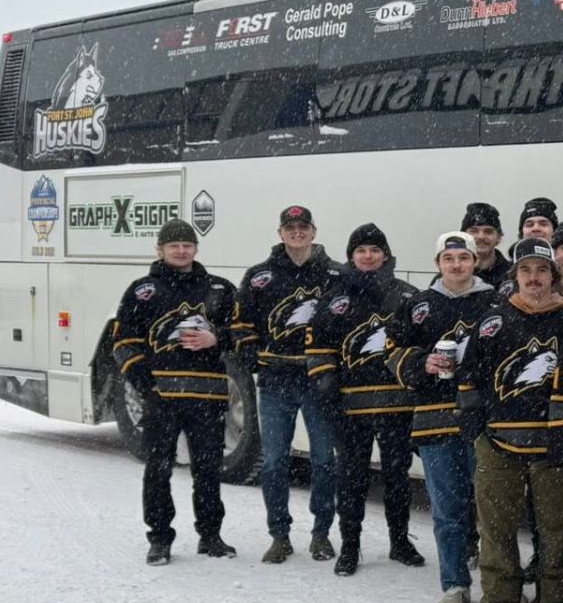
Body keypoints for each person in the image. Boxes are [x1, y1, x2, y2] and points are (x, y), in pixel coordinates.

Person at [458, 237, 563, 603]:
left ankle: (555, 601)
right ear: (515, 275)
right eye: (526, 270)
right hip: (498, 441)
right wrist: (472, 420)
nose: (534, 278)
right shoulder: (495, 319)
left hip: (553, 442)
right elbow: (471, 374)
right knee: (495, 526)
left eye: (542, 270)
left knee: (558, 526)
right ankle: (499, 601)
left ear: (554, 275)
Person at [114, 219, 238, 565]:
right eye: (174, 246)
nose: (181, 251)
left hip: (208, 397)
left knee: (209, 469)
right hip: (162, 399)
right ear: (160, 250)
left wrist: (219, 338)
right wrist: (146, 385)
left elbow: (245, 335)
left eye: (187, 245)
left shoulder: (220, 289)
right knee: (158, 469)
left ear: (196, 249)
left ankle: (210, 536)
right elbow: (124, 343)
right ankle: (159, 538)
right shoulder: (142, 290)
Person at [307, 223, 424, 576]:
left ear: (385, 255)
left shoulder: (407, 295)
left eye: (375, 250)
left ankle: (399, 541)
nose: (368, 256)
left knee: (397, 478)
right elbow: (317, 343)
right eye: (361, 251)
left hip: (397, 406)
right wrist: (325, 381)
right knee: (352, 479)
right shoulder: (335, 297)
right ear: (351, 257)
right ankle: (350, 546)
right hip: (351, 407)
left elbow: (421, 345)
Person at [389, 231, 496, 603]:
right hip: (434, 421)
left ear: (475, 261)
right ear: (438, 263)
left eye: (464, 258)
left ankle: (497, 584)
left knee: (491, 510)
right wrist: (421, 364)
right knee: (447, 509)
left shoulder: (495, 302)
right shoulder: (418, 305)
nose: (457, 265)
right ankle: (454, 583)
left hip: (481, 421)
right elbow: (393, 350)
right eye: (449, 259)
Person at [234, 204, 341, 565]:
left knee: (325, 459)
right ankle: (279, 535)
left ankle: (321, 533)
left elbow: (347, 324)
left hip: (319, 381)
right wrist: (250, 354)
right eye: (290, 226)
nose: (297, 232)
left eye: (303, 226)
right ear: (280, 233)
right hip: (275, 381)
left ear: (314, 231)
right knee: (275, 461)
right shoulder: (259, 276)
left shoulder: (335, 275)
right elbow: (241, 322)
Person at [462, 202, 509, 291]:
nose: (481, 237)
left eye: (488, 231)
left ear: (499, 238)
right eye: (474, 231)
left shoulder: (513, 275)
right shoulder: (451, 275)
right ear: (463, 236)